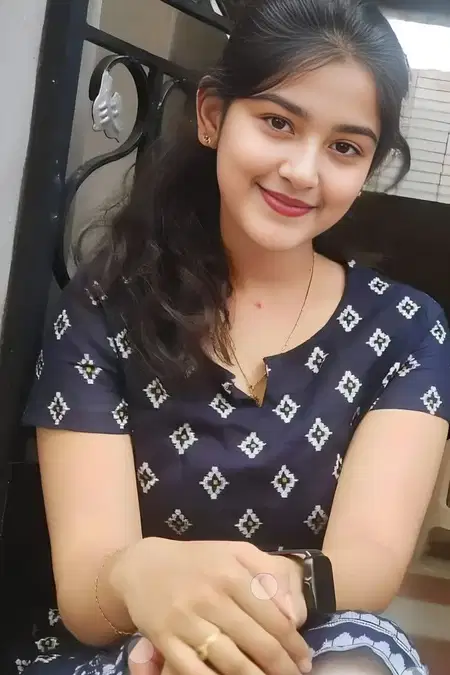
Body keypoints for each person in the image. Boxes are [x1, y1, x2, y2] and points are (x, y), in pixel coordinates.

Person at [13, 0, 450, 673]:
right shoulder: (106, 308)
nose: (303, 171)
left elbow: (366, 558)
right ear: (214, 117)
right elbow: (87, 592)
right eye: (278, 122)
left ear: (367, 168)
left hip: (304, 636)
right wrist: (143, 577)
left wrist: (244, 604)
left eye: (344, 147)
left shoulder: (407, 330)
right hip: (128, 646)